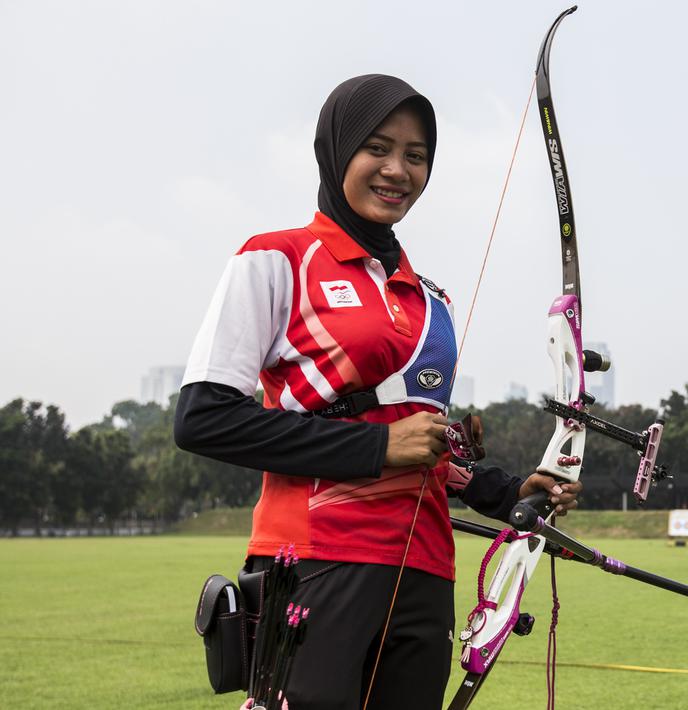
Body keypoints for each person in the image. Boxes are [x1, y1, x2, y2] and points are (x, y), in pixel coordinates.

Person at [175, 74, 581, 710]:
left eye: (416, 156)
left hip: (423, 565)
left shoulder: (432, 301)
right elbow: (204, 420)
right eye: (377, 148)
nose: (398, 170)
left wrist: (505, 492)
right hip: (314, 555)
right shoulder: (277, 259)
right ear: (336, 150)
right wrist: (378, 447)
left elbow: (423, 443)